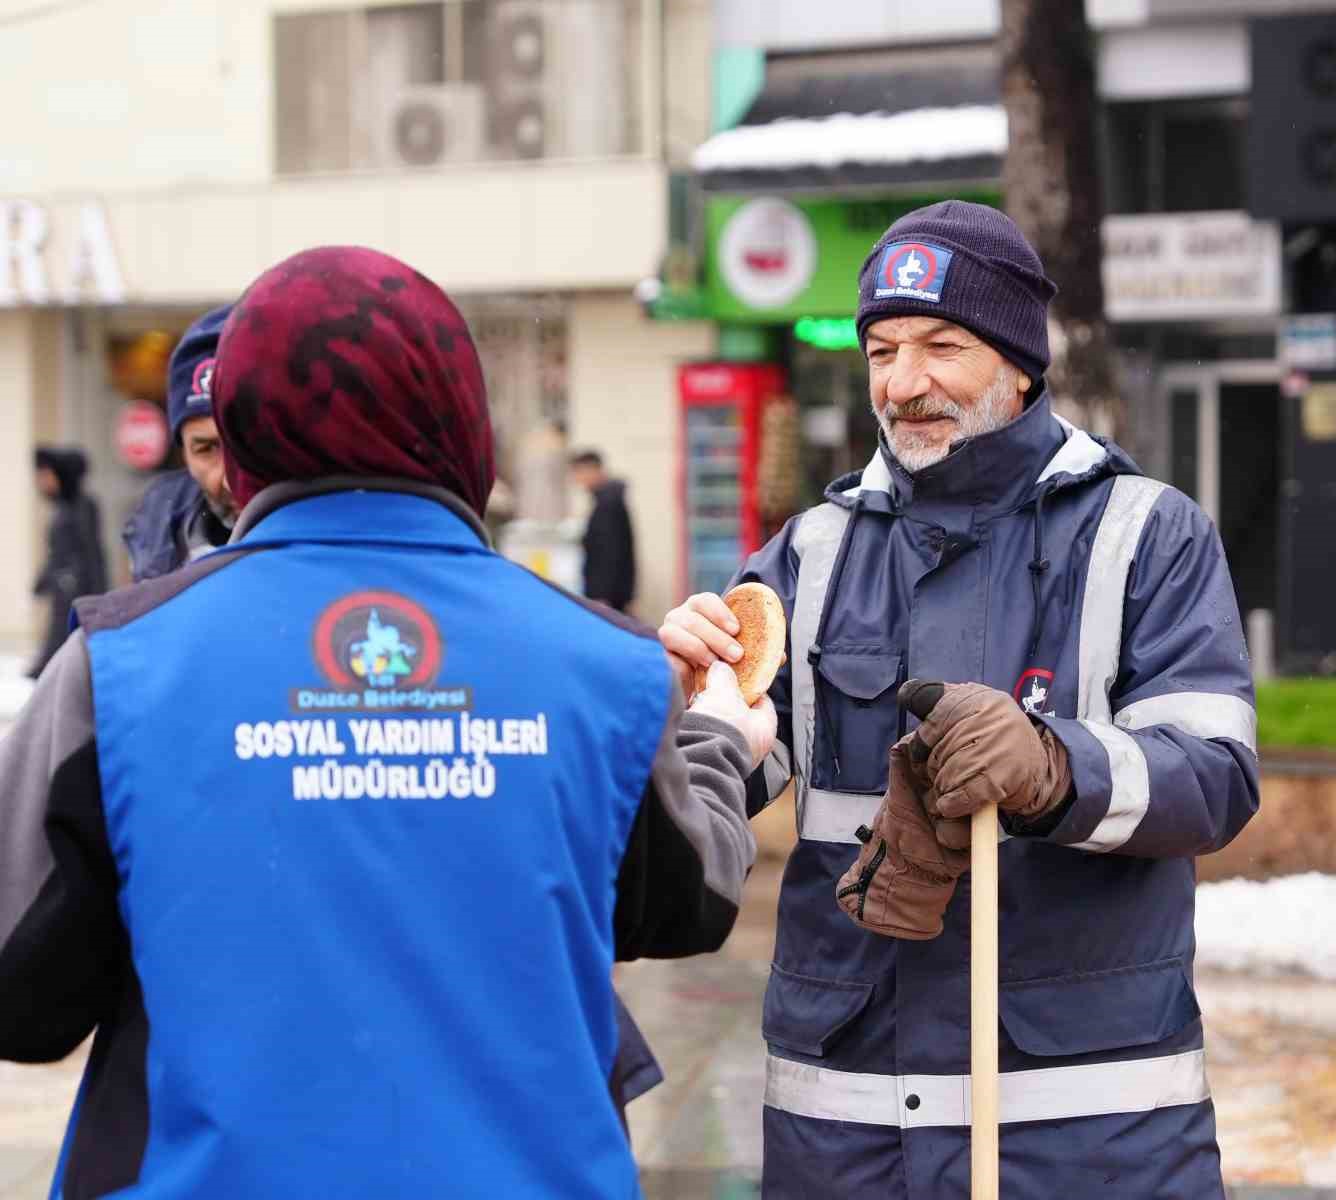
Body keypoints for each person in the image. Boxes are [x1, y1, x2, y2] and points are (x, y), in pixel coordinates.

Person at [0, 246, 772, 1198]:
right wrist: (723, 744)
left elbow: (22, 1001)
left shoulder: (116, 666)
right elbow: (683, 902)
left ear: (240, 428)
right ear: (459, 416)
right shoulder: (601, 667)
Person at [660, 201, 1260, 1198]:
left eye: (942, 345)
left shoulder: (1149, 535)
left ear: (1020, 363)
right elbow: (721, 786)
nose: (903, 383)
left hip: (1084, 1137)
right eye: (882, 349)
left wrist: (1054, 766)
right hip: (848, 1138)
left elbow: (1216, 779)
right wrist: (678, 713)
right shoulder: (807, 557)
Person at [122, 306, 238, 581]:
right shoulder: (158, 537)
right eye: (206, 449)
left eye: (243, 444)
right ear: (183, 452)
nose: (230, 481)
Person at [29, 446, 106, 677]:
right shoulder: (62, 509)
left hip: (76, 592)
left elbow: (92, 553)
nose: (41, 481)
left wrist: (96, 593)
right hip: (62, 591)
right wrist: (43, 580)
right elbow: (57, 553)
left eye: (46, 475)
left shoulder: (83, 506)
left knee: (67, 650)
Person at [571, 449, 636, 611]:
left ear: (593, 470)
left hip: (608, 596)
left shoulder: (607, 504)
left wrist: (602, 595)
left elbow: (609, 553)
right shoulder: (606, 500)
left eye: (579, 473)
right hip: (610, 593)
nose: (577, 479)